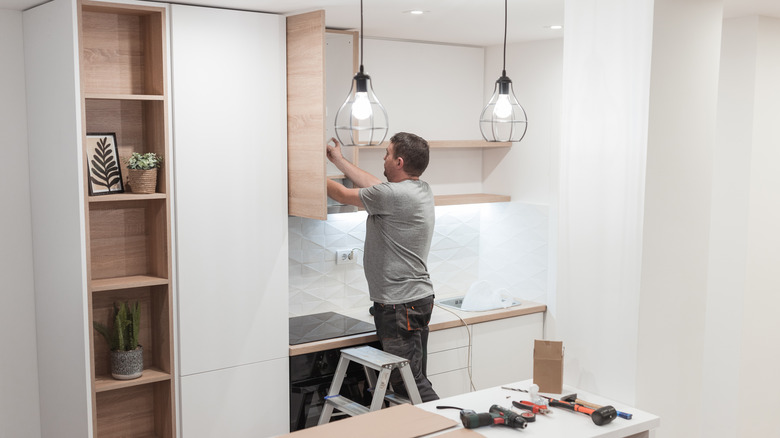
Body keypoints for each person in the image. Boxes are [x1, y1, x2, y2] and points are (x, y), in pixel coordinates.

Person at [326, 132, 439, 402]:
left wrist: (304, 172)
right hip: (416, 300)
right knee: (414, 377)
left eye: (387, 154)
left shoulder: (391, 196)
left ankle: (450, 428)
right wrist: (339, 161)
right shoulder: (419, 189)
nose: (384, 158)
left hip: (399, 306)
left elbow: (342, 192)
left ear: (399, 162)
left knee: (407, 383)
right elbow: (374, 184)